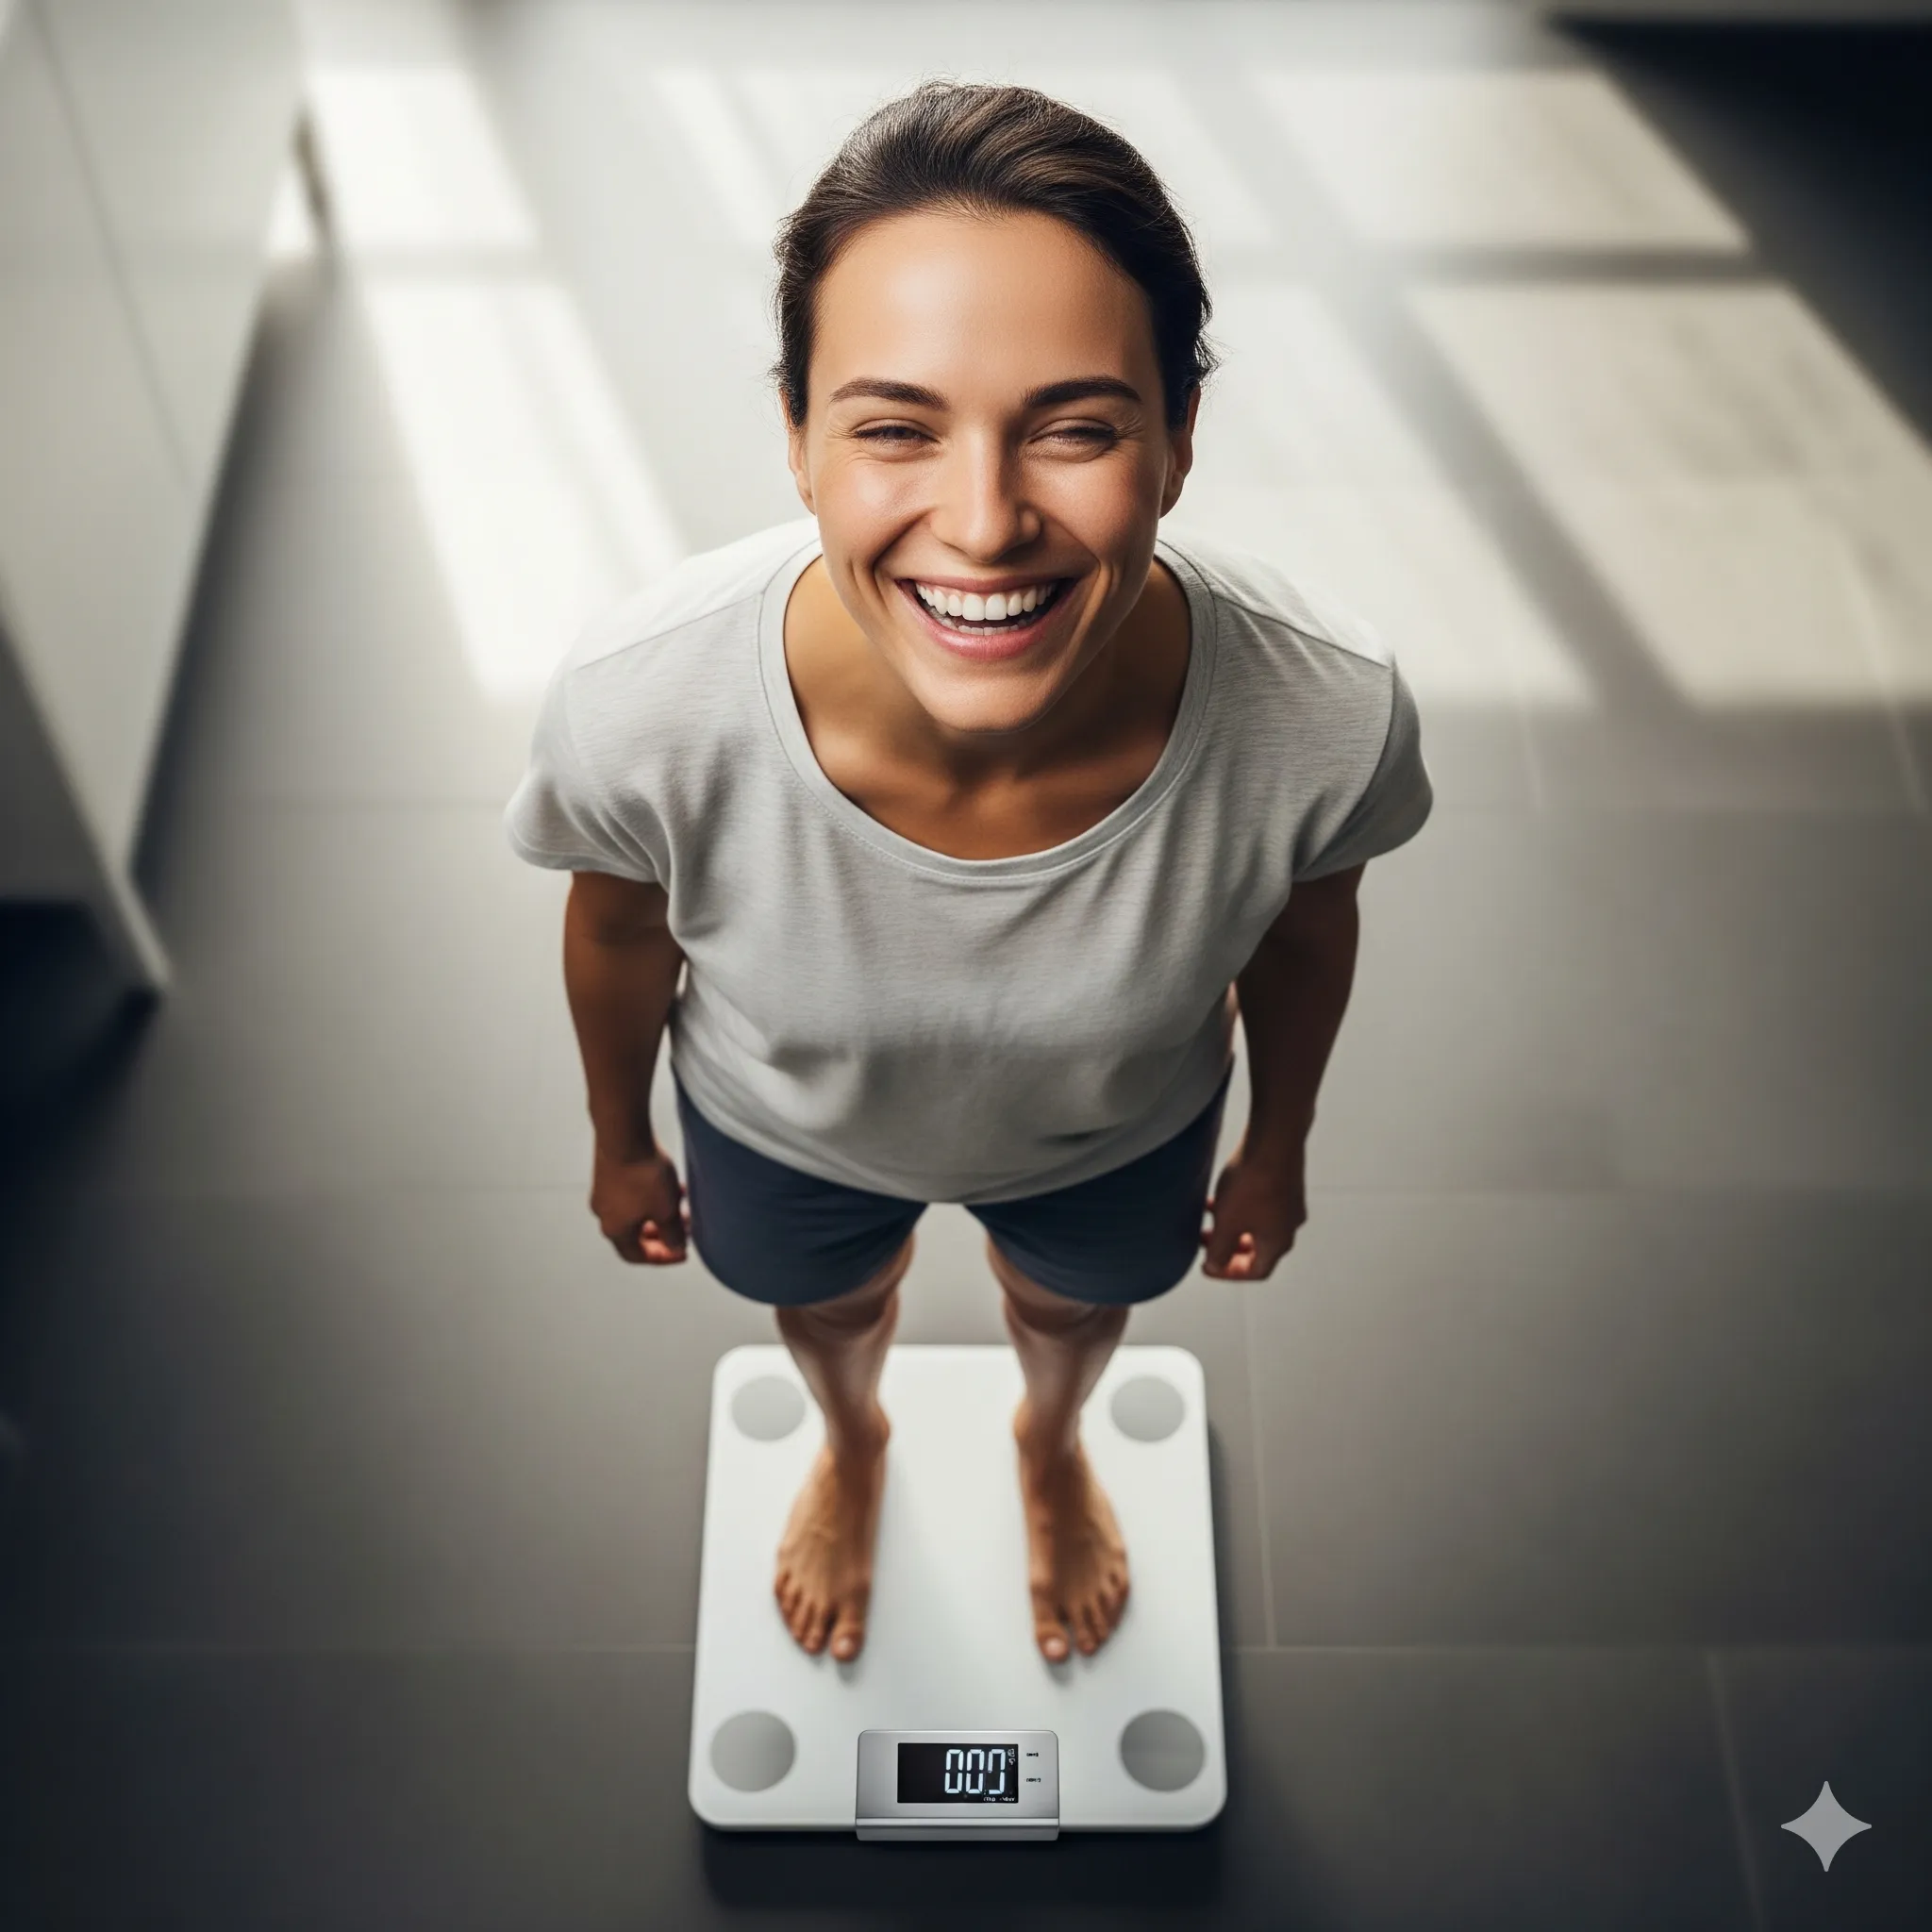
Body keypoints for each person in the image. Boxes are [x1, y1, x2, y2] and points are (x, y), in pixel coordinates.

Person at [504, 82, 1430, 1671]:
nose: (988, 524)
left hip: (1116, 1129)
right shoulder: (641, 705)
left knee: (1068, 1320)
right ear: (797, 439)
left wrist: (1276, 1146)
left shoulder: (1324, 713)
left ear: (1179, 442)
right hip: (781, 1124)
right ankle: (851, 1449)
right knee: (833, 1316)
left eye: (1074, 427)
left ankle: (1048, 1452)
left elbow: (1303, 934)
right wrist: (618, 1137)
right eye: (894, 427)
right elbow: (616, 925)